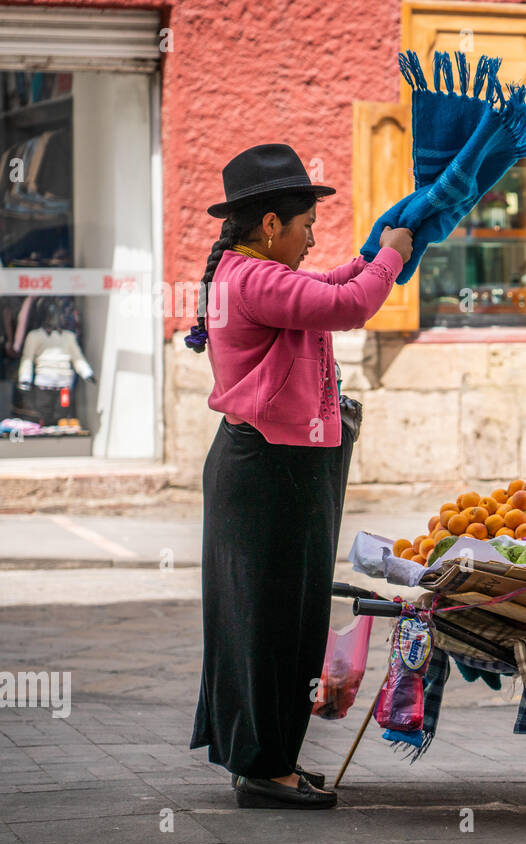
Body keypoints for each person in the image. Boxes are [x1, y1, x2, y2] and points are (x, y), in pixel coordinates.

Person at [185, 144, 414, 809]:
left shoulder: (248, 272)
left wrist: (373, 255)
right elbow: (350, 306)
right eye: (305, 223)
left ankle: (271, 758)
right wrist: (392, 255)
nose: (313, 236)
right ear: (268, 227)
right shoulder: (254, 281)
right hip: (265, 470)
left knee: (286, 619)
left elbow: (332, 286)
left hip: (273, 465)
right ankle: (265, 767)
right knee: (270, 622)